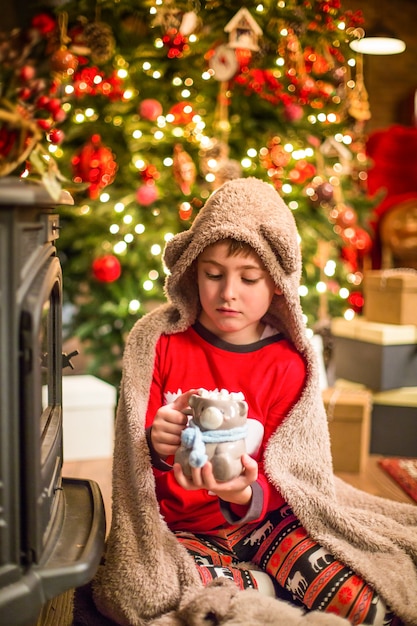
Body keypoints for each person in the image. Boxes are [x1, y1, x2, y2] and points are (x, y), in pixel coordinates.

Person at [93, 178, 417, 626]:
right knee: (170, 599)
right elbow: (137, 457)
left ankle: (259, 580)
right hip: (183, 528)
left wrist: (243, 491)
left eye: (249, 278)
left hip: (268, 523)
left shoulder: (288, 364)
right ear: (191, 270)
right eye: (213, 274)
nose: (229, 292)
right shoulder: (160, 344)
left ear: (278, 286)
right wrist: (158, 441)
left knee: (366, 605)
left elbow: (292, 470)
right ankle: (258, 587)